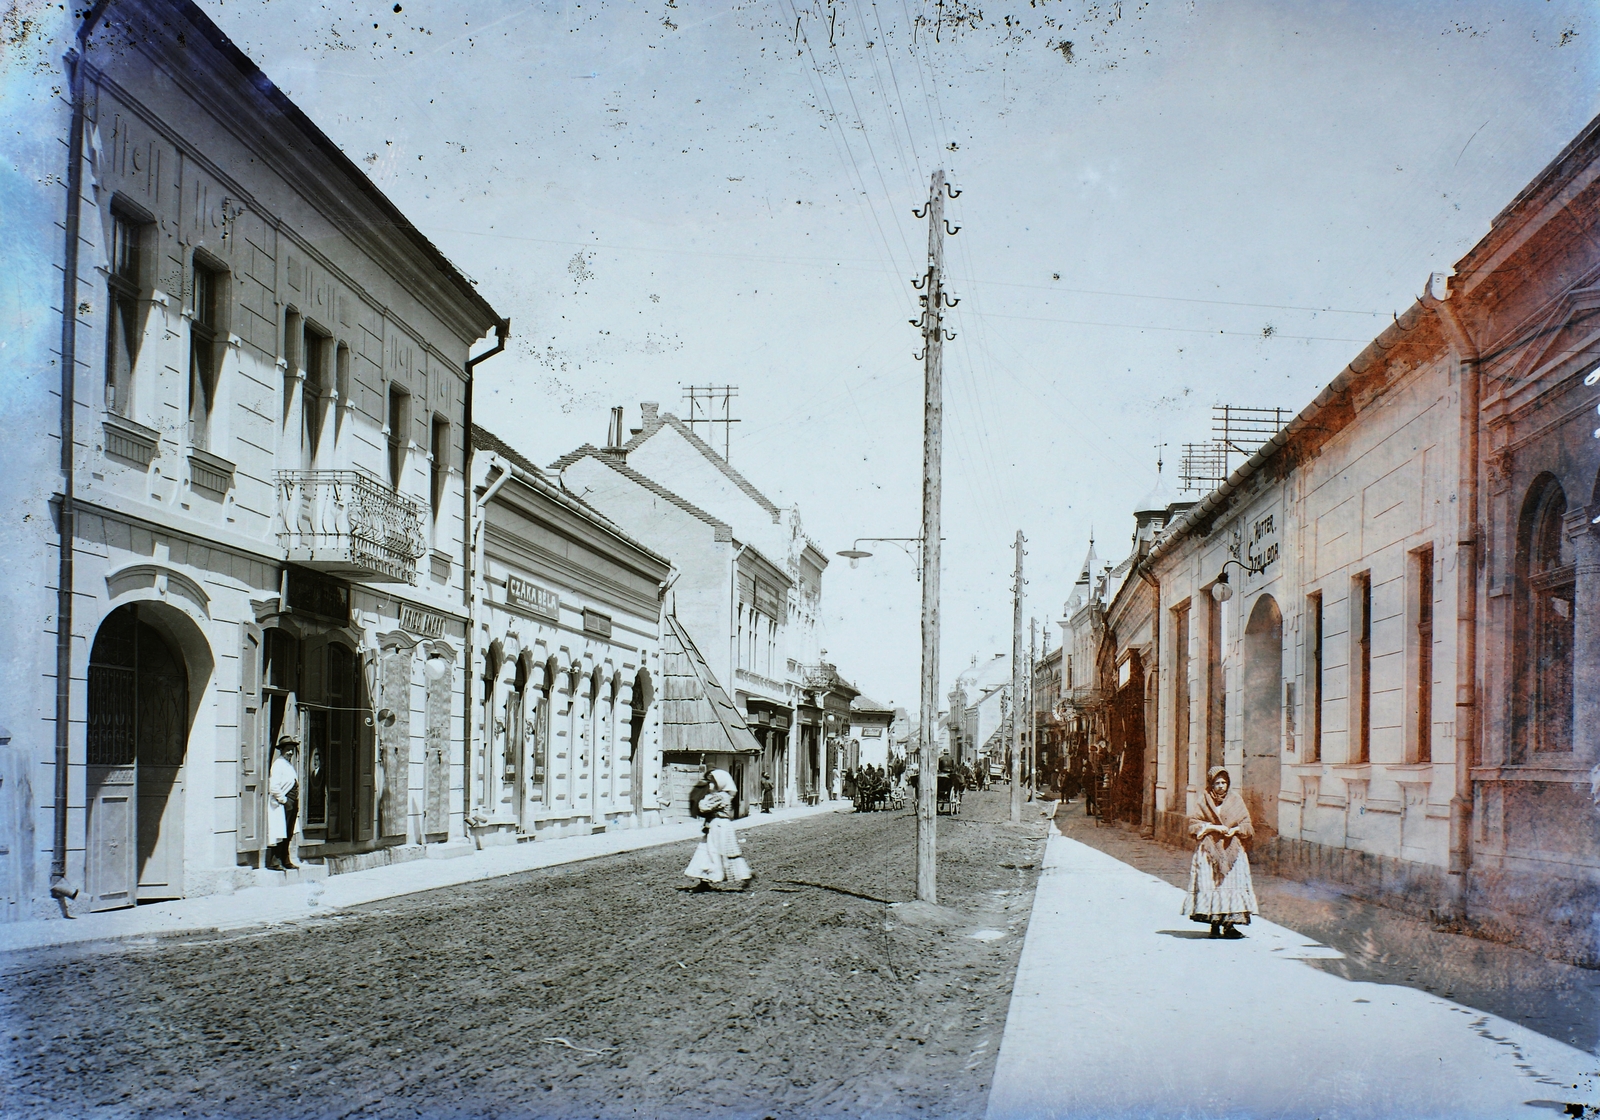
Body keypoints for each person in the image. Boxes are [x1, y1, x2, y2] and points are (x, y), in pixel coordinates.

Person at [1182, 767, 1259, 938]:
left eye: (1224, 782)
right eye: (1217, 783)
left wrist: (1235, 830)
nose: (1221, 786)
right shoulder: (1204, 800)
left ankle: (1229, 926)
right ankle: (1214, 925)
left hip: (1232, 850)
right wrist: (1213, 827)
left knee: (1232, 886)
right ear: (1211, 784)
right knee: (1212, 886)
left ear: (1228, 783)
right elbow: (1193, 825)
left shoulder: (1235, 800)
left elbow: (1248, 826)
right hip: (1209, 851)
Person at [681, 769, 755, 891]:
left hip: (719, 826)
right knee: (710, 851)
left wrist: (704, 797)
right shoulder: (724, 796)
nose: (710, 786)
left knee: (715, 851)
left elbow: (703, 807)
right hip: (718, 825)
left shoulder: (719, 796)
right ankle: (705, 880)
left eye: (713, 783)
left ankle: (744, 875)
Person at [267, 734, 300, 871]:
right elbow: (274, 786)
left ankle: (285, 859)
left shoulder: (288, 765)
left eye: (292, 749)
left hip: (292, 802)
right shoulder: (278, 764)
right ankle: (275, 861)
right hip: (283, 803)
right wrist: (284, 800)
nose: (290, 752)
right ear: (281, 750)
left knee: (289, 832)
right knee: (280, 832)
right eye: (288, 749)